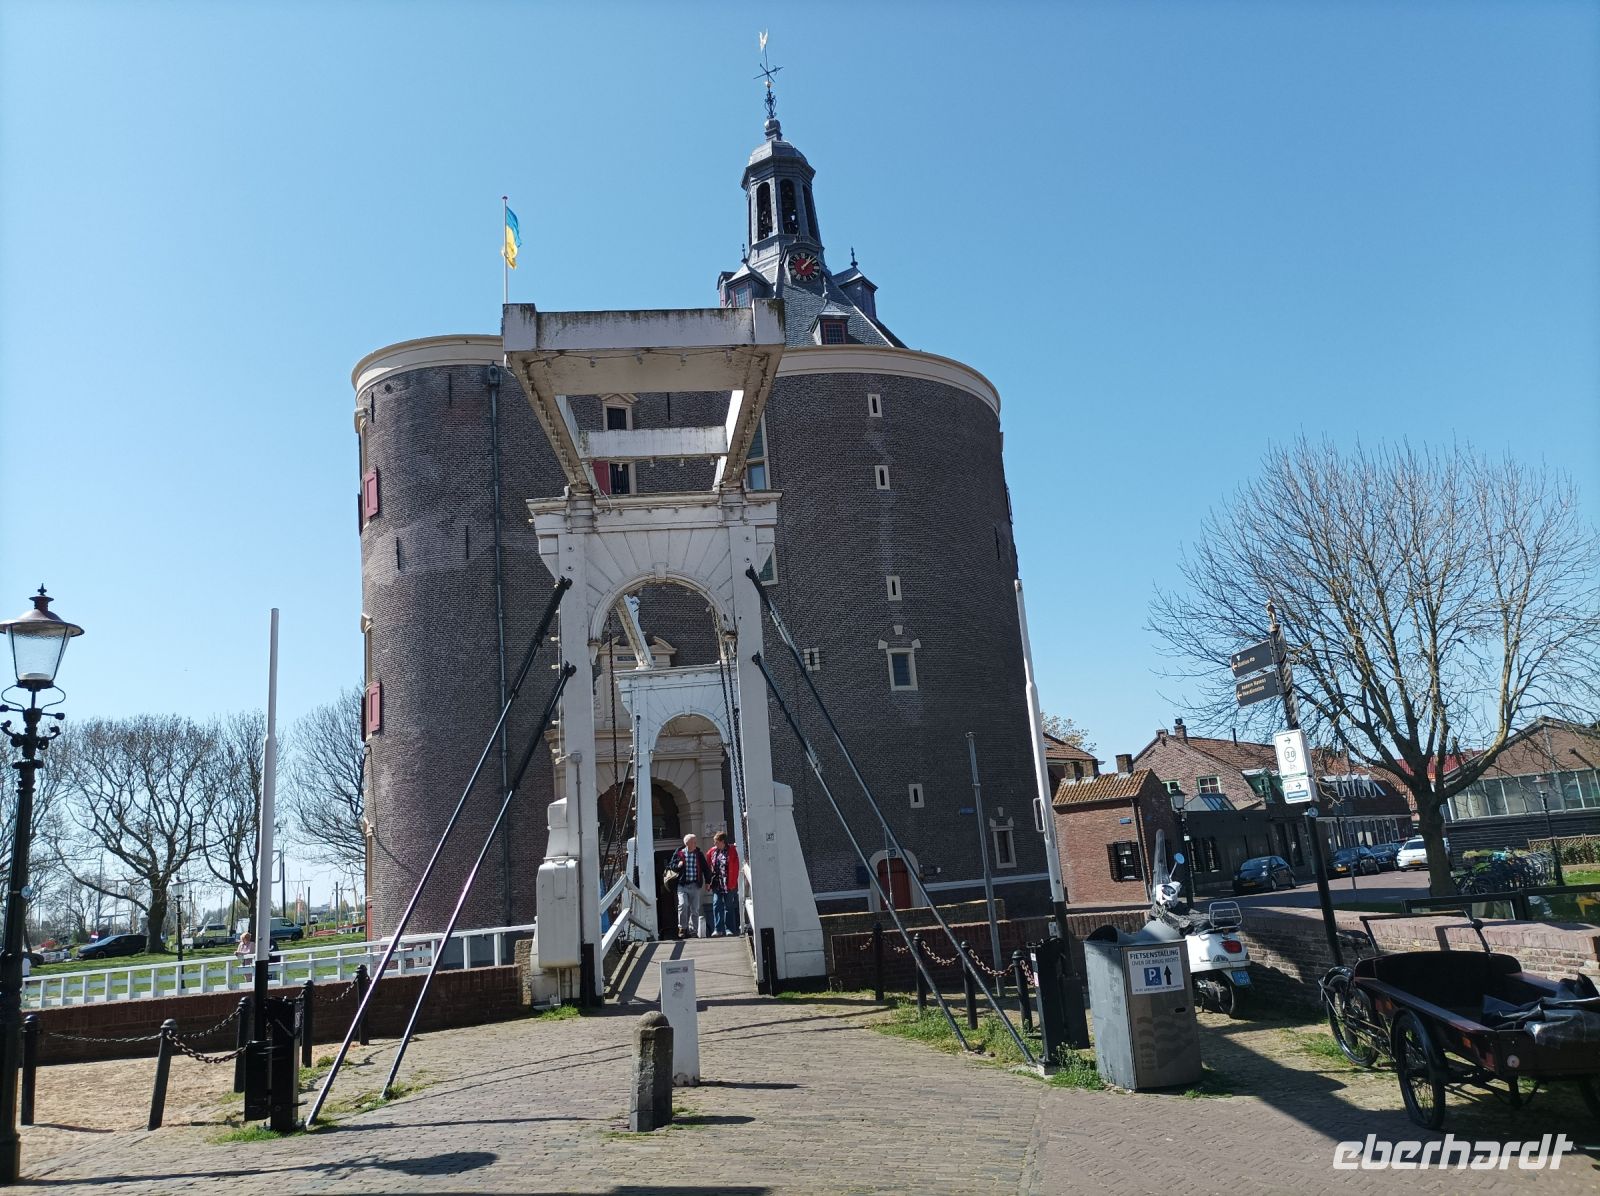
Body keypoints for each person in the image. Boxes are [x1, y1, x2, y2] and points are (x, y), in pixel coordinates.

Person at [667, 834, 708, 939]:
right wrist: (678, 865)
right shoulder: (679, 853)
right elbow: (671, 866)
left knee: (695, 909)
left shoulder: (698, 854)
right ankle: (682, 928)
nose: (696, 844)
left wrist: (708, 881)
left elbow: (705, 868)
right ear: (687, 843)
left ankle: (693, 931)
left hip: (695, 885)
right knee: (683, 905)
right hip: (682, 885)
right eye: (694, 842)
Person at [706, 830, 741, 937]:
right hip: (717, 883)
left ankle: (729, 929)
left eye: (716, 842)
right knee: (716, 904)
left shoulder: (732, 851)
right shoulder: (712, 852)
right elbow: (708, 867)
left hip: (728, 883)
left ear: (722, 841)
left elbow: (736, 866)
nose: (715, 844)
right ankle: (718, 929)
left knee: (728, 906)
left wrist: (734, 882)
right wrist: (708, 882)